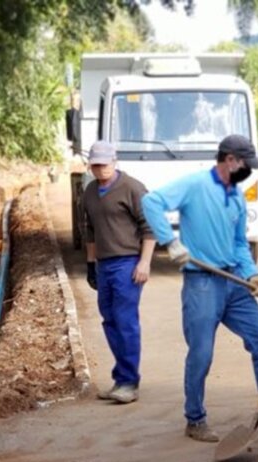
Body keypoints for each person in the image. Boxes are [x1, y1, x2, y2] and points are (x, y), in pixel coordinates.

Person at [142, 134, 258, 442]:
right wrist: (171, 241)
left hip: (234, 284)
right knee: (202, 353)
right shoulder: (194, 185)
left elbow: (239, 244)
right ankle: (195, 419)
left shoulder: (236, 197)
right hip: (202, 284)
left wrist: (254, 274)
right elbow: (150, 201)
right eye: (247, 165)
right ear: (230, 160)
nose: (250, 172)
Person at [83, 140, 156, 404]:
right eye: (95, 165)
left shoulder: (133, 189)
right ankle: (120, 377)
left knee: (125, 321)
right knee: (109, 319)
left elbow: (150, 227)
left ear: (115, 162)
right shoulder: (90, 192)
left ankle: (129, 382)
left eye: (104, 164)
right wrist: (91, 265)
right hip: (104, 264)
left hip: (128, 263)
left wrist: (144, 262)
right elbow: (89, 229)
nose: (100, 169)